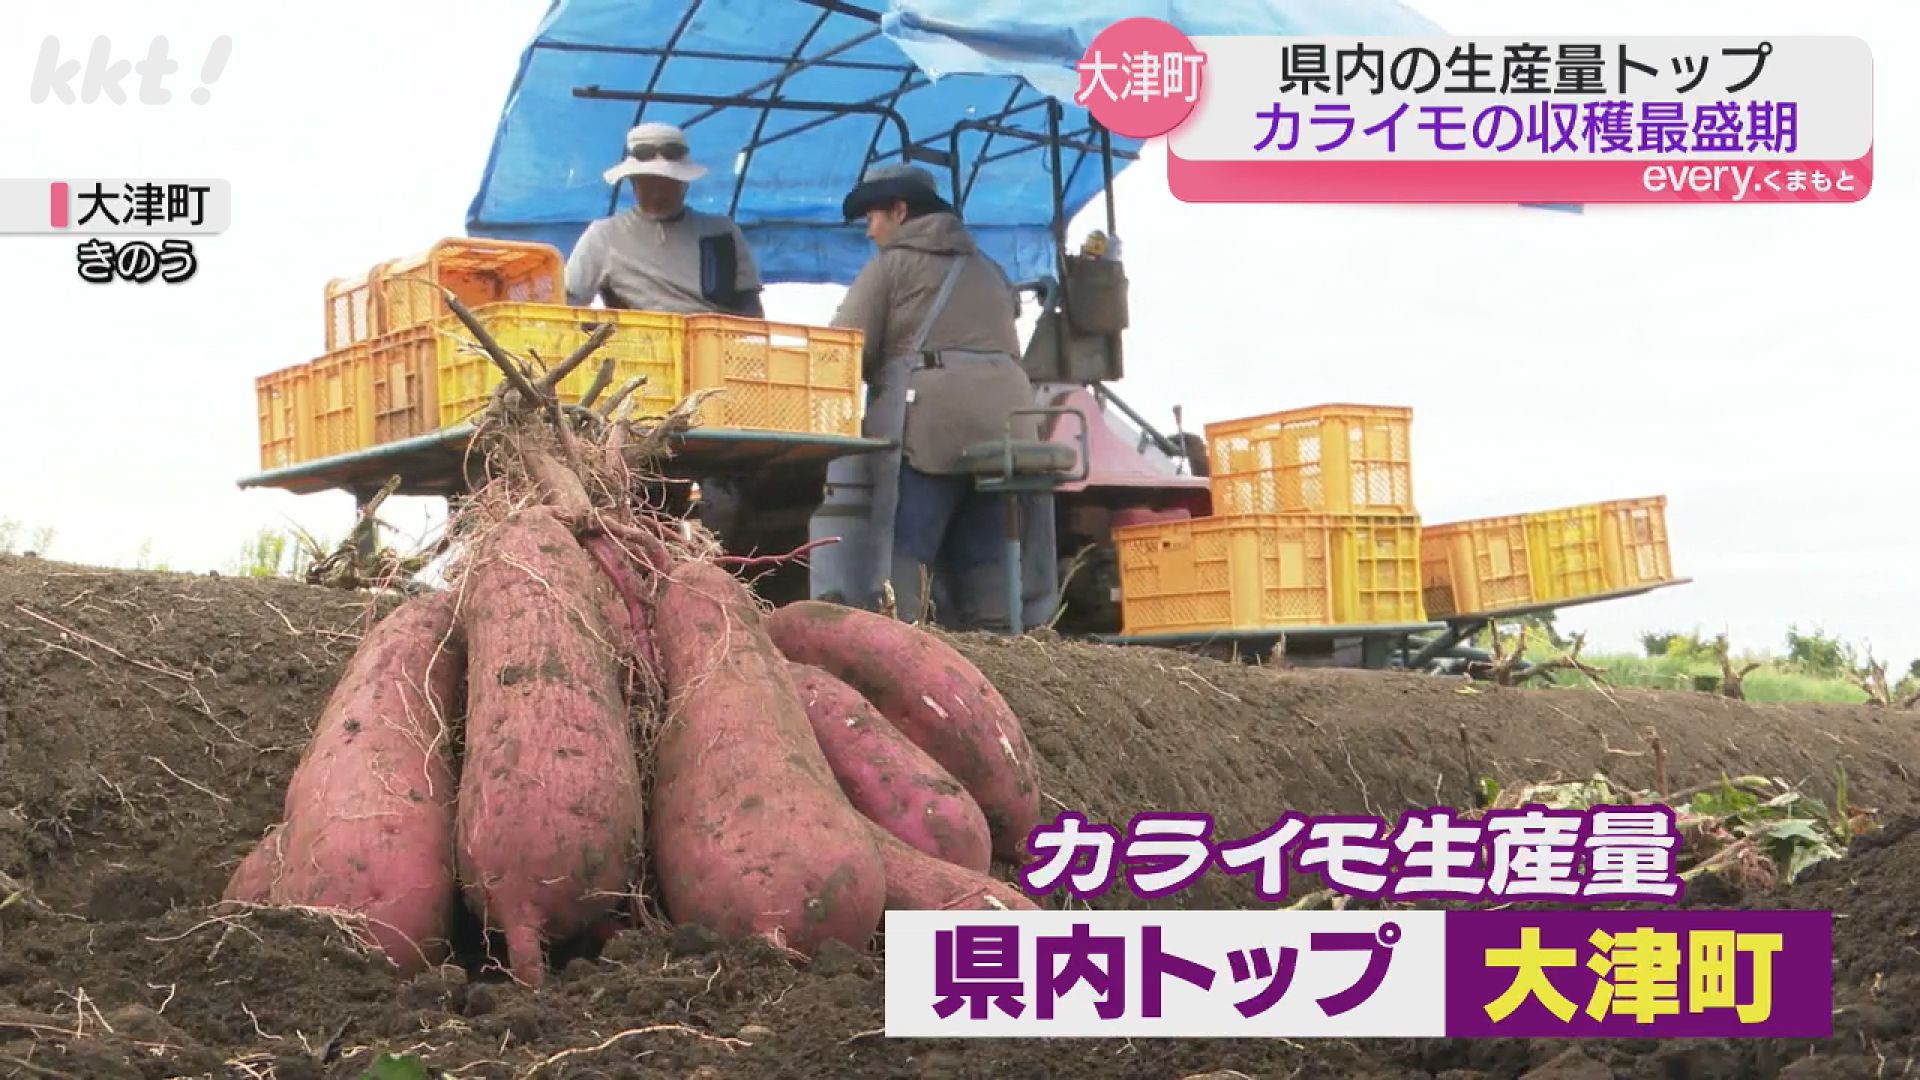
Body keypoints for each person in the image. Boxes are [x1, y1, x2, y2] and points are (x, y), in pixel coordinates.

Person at [826, 164, 1041, 627]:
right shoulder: (989, 269)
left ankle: (904, 634)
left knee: (908, 543)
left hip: (932, 424)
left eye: (872, 217)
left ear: (900, 211)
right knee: (985, 545)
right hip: (1009, 426)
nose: (869, 231)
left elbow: (843, 347)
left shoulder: (890, 266)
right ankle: (1004, 647)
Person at [564, 122, 765, 317]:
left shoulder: (721, 232)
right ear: (633, 184)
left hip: (711, 342)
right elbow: (568, 300)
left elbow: (751, 310)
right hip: (640, 344)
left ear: (683, 184)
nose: (658, 194)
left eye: (666, 184)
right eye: (648, 184)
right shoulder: (604, 235)